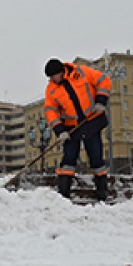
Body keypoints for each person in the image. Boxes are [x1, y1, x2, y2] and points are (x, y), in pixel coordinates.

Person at [43, 58, 111, 200]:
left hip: (91, 120)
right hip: (71, 128)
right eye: (50, 78)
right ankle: (63, 193)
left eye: (54, 76)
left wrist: (101, 100)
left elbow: (103, 80)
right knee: (68, 158)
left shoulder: (81, 72)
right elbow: (50, 110)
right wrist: (60, 130)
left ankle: (102, 191)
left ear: (61, 72)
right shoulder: (51, 89)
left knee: (96, 156)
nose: (52, 79)